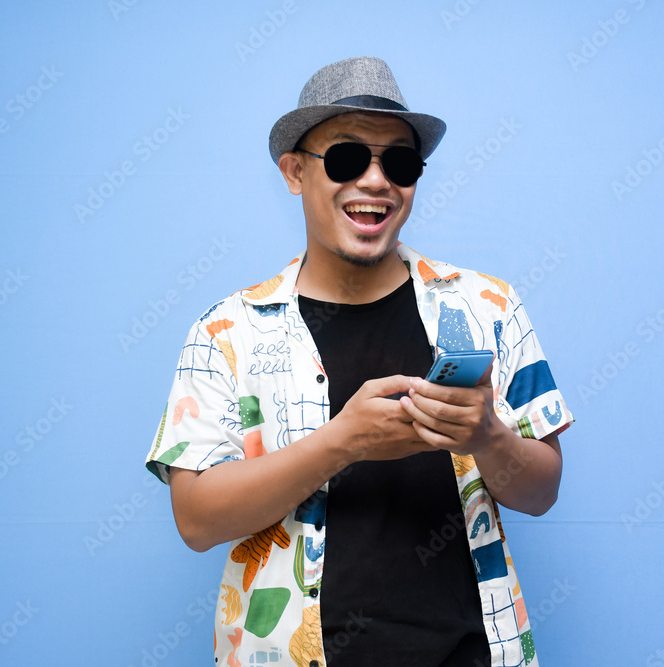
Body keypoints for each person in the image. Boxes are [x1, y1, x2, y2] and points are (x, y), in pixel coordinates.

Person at [145, 56, 573, 667]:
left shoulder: (490, 307)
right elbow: (196, 520)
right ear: (294, 172)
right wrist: (341, 443)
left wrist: (487, 436)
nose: (376, 181)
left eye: (399, 162)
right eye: (347, 158)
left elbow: (542, 491)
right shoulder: (225, 332)